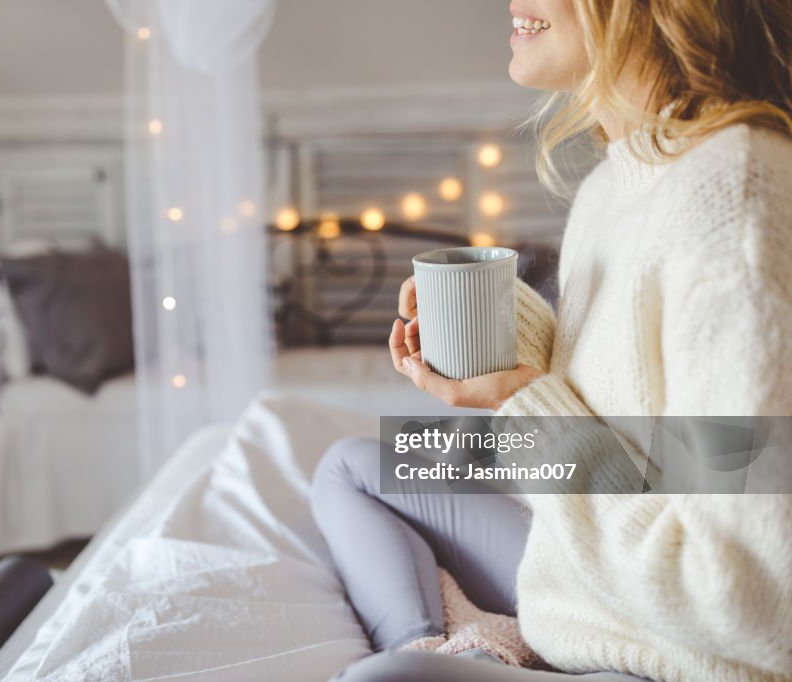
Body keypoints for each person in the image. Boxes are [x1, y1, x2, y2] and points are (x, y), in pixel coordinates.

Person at [311, 1, 792, 680]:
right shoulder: (613, 186)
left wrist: (527, 406)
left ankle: (449, 654)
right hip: (582, 586)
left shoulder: (735, 194)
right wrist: (510, 329)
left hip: (668, 657)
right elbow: (634, 418)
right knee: (352, 466)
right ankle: (448, 644)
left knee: (379, 681)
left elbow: (756, 601)